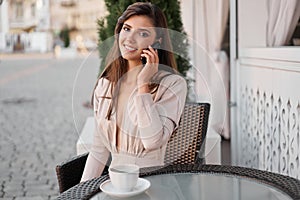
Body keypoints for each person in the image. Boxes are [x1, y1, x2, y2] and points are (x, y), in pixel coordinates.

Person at [81, 2, 187, 182]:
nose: (130, 39)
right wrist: (80, 193)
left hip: (155, 185)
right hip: (115, 185)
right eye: (127, 28)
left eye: (143, 33)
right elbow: (99, 151)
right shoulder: (105, 85)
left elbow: (152, 141)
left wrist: (143, 84)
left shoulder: (173, 84)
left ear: (156, 42)